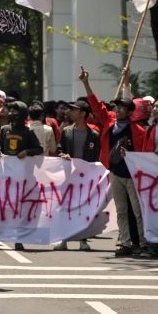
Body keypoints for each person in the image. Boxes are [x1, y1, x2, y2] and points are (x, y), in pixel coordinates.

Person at [80, 67, 149, 257]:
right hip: (115, 172)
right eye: (116, 107)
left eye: (121, 107)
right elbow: (96, 106)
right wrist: (86, 83)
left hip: (133, 175)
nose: (116, 109)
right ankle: (125, 242)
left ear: (129, 111)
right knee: (121, 210)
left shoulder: (139, 131)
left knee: (138, 211)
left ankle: (143, 243)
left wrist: (126, 81)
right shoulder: (109, 121)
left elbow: (145, 153)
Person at [0, 100, 42, 251]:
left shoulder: (28, 132)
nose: (11, 113)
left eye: (15, 111)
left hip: (22, 178)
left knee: (20, 208)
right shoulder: (5, 129)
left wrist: (27, 151)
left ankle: (18, 238)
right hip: (6, 176)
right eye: (11, 110)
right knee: (2, 205)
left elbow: (38, 149)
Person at [55, 99, 101, 251]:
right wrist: (63, 155)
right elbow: (59, 149)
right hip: (68, 176)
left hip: (85, 178)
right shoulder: (67, 131)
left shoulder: (93, 135)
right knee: (65, 207)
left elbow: (96, 157)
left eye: (74, 110)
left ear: (83, 114)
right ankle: (63, 240)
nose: (71, 112)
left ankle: (83, 240)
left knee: (83, 208)